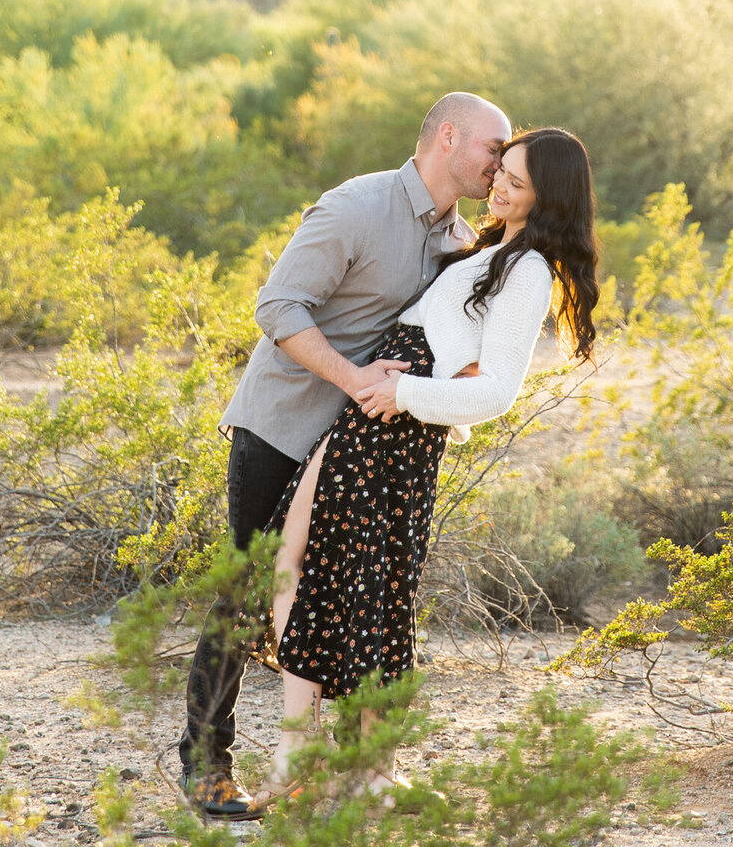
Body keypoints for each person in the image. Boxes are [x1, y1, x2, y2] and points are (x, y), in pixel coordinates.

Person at [174, 91, 512, 822]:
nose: (499, 164)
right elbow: (278, 307)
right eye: (493, 148)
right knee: (247, 593)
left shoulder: (460, 242)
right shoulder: (356, 207)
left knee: (363, 601)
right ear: (447, 136)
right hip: (284, 426)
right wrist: (354, 379)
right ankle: (207, 767)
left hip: (360, 457)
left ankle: (359, 774)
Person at [266, 126, 601, 796]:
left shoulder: (529, 270)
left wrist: (402, 391)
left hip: (398, 423)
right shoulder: (493, 251)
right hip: (379, 415)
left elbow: (498, 393)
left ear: (548, 198)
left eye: (517, 181)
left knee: (354, 582)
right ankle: (331, 760)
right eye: (500, 169)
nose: (498, 184)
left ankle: (343, 765)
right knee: (315, 567)